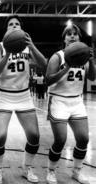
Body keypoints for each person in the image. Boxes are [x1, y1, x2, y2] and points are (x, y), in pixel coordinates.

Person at [0, 15, 47, 183]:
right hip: (3, 95)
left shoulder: (27, 48)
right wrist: (7, 54)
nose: (14, 26)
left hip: (23, 96)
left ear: (22, 29)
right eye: (10, 24)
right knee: (0, 136)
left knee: (34, 136)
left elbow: (43, 63)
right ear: (6, 29)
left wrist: (32, 45)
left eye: (17, 24)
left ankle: (26, 168)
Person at [45, 24, 96, 184]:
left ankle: (76, 171)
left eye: (75, 34)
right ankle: (51, 171)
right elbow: (48, 80)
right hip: (58, 100)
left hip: (76, 101)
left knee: (83, 139)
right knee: (60, 139)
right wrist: (66, 68)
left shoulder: (83, 56)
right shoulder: (57, 56)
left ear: (79, 38)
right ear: (64, 39)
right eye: (69, 34)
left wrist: (92, 61)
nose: (72, 36)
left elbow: (92, 78)